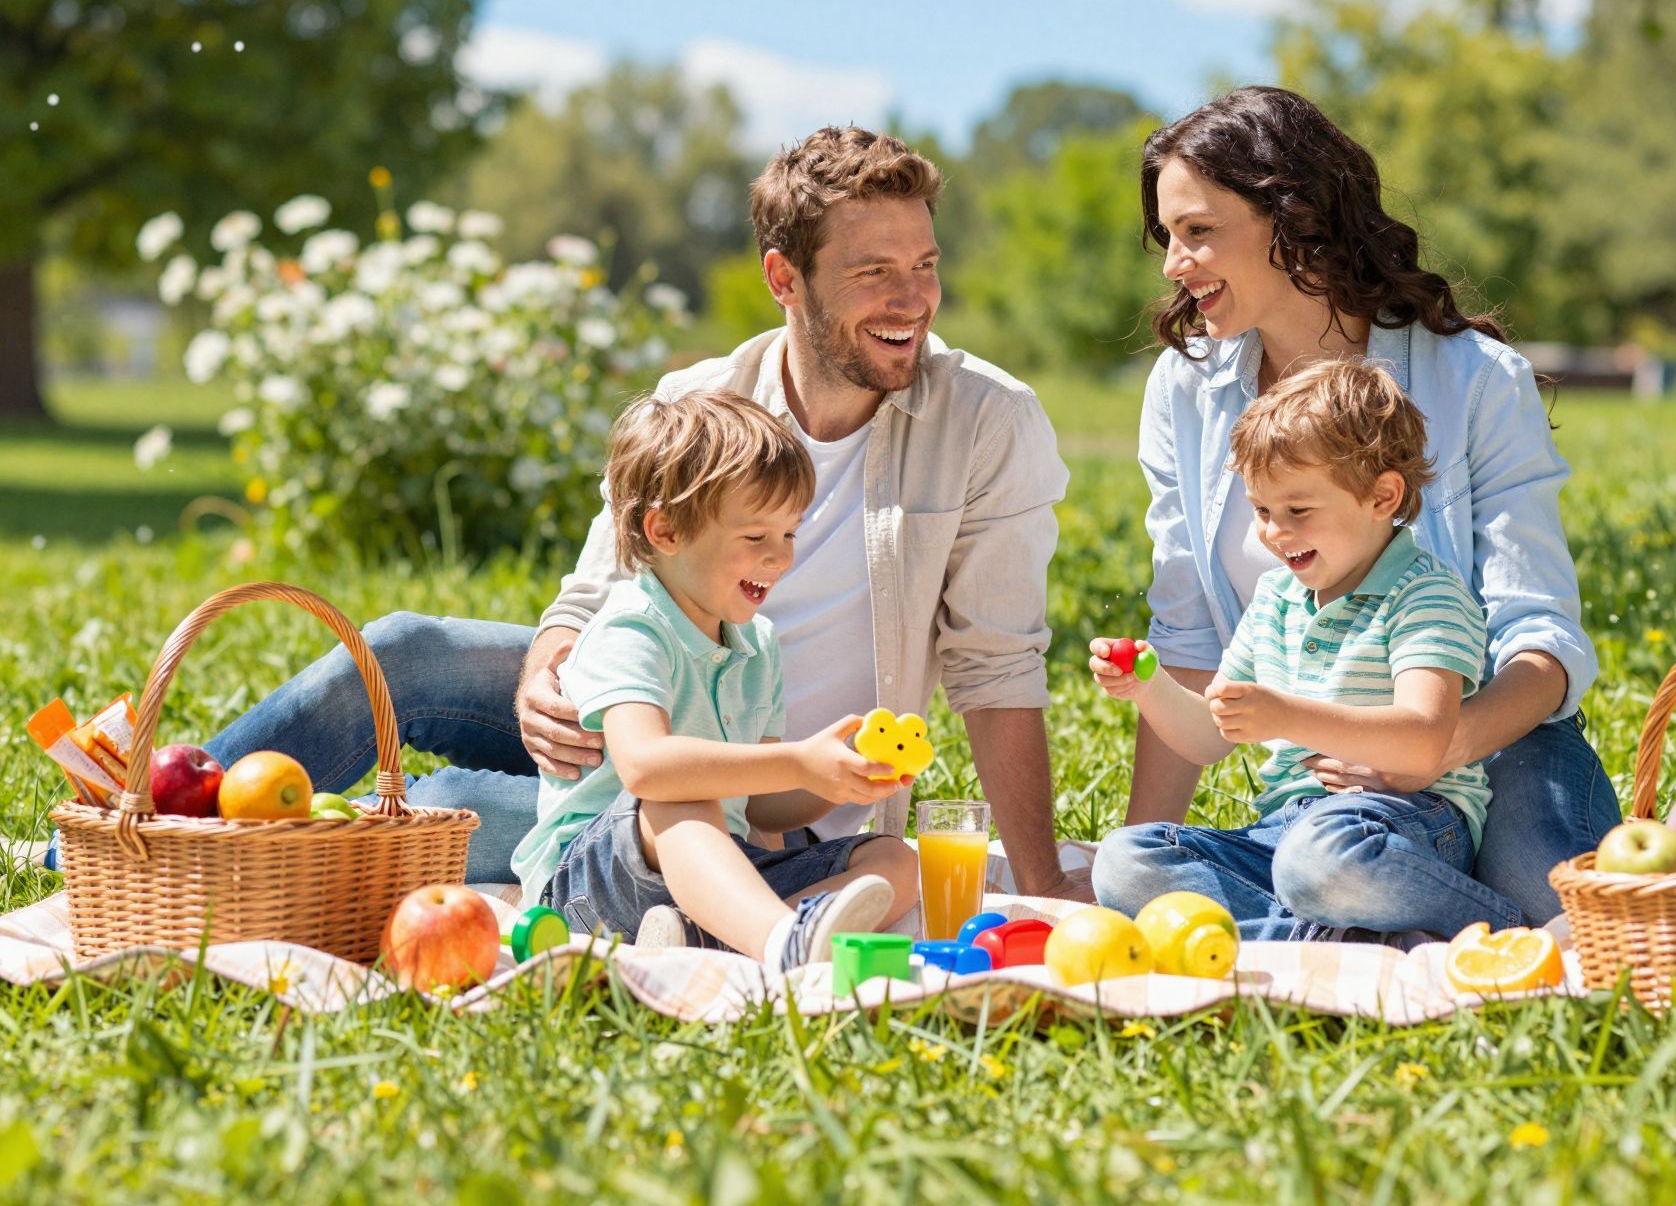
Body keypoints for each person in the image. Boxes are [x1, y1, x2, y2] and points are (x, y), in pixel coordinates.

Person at [197, 126, 1089, 900]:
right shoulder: (699, 401)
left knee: (432, 813)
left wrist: (1043, 881)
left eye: (925, 266)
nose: (913, 301)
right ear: (786, 277)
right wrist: (544, 673)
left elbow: (995, 666)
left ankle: (278, 840)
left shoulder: (986, 422)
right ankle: (147, 818)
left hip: (748, 798)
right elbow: (591, 596)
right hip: (632, 708)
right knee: (403, 649)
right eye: (874, 273)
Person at [1124, 86, 1620, 924]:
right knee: (1148, 875)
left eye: (1199, 231)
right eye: (1169, 237)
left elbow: (1539, 636)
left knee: (1556, 905)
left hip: (1492, 745)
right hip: (1321, 793)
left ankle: (1382, 927)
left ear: (1294, 218)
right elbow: (1190, 649)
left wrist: (1430, 746)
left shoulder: (1472, 380)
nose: (1175, 264)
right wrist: (1140, 868)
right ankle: (1394, 937)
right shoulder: (1187, 389)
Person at [1090, 360, 1514, 939]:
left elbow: (1423, 741)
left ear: (1383, 496)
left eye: (1298, 511)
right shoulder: (1276, 598)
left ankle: (1506, 927)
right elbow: (1209, 735)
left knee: (1320, 862)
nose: (1273, 531)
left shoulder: (1425, 594)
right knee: (1126, 860)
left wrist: (1287, 716)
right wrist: (1148, 685)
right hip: (1286, 833)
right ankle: (1336, 938)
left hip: (1399, 827)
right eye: (1262, 511)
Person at [517, 389, 916, 969]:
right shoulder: (632, 627)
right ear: (667, 532)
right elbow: (646, 766)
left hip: (714, 868)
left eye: (789, 535)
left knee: (891, 860)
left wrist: (836, 778)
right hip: (592, 883)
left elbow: (760, 808)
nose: (779, 558)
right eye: (756, 538)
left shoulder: (756, 644)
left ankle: (725, 939)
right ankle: (785, 942)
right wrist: (799, 760)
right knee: (681, 796)